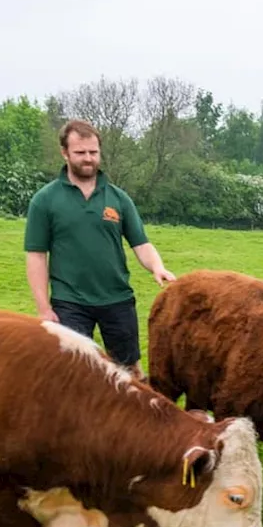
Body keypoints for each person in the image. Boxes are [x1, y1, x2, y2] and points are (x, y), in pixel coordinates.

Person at [24, 119, 175, 376]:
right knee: (74, 373)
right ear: (65, 153)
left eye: (93, 152)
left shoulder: (118, 198)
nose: (88, 159)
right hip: (69, 302)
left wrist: (157, 267)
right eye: (80, 153)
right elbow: (37, 256)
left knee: (129, 372)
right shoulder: (45, 200)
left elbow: (141, 243)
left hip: (117, 299)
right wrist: (43, 309)